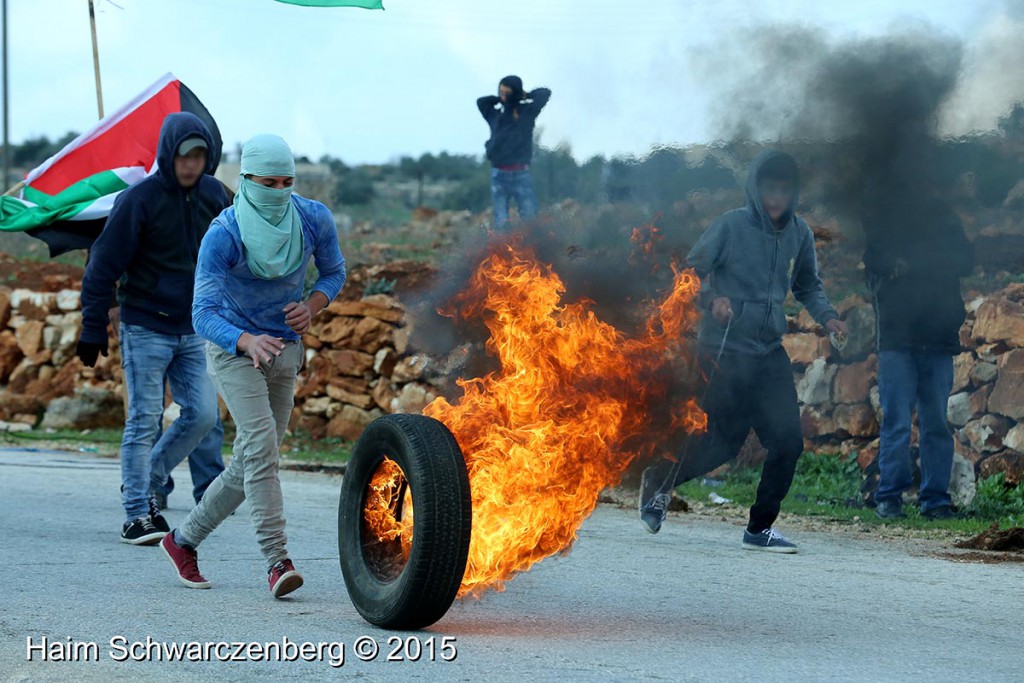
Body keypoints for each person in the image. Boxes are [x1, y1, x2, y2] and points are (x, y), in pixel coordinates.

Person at [161, 134, 346, 598]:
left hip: (285, 348)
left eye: (287, 182)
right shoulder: (224, 233)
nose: (278, 190)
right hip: (232, 347)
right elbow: (202, 314)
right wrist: (244, 340)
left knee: (251, 460)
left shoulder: (312, 217)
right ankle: (276, 560)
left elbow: (334, 271)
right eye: (268, 183)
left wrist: (314, 305)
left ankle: (182, 541)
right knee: (262, 446)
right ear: (245, 180)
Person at [638, 150, 847, 553]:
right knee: (721, 443)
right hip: (723, 350)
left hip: (767, 350)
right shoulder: (730, 226)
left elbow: (808, 285)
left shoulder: (799, 233)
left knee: (788, 441)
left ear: (793, 193)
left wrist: (829, 316)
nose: (776, 197)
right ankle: (658, 479)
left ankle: (759, 528)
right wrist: (713, 299)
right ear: (756, 188)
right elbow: (690, 274)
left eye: (785, 189)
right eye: (770, 188)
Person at [77, 112, 227, 545]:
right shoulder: (138, 200)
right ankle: (137, 514)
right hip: (144, 325)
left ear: (208, 158)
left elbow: (236, 254)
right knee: (143, 419)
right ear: (168, 154)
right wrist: (93, 325)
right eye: (183, 156)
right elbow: (102, 265)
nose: (190, 164)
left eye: (199, 156)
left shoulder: (216, 196)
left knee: (201, 415)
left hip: (195, 326)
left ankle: (147, 477)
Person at [864, 193, 973, 520]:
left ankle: (935, 500)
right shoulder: (886, 219)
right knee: (896, 421)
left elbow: (965, 260)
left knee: (936, 422)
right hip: (898, 340)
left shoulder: (944, 216)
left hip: (938, 338)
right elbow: (875, 262)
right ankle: (889, 497)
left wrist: (924, 262)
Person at [477, 75, 551, 229]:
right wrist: (500, 99)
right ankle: (503, 251)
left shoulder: (527, 113)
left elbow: (545, 93)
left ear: (516, 93)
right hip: (498, 175)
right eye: (501, 92)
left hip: (520, 175)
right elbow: (481, 101)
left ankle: (534, 250)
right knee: (501, 220)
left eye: (507, 93)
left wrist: (524, 96)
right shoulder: (495, 115)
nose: (503, 96)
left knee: (530, 218)